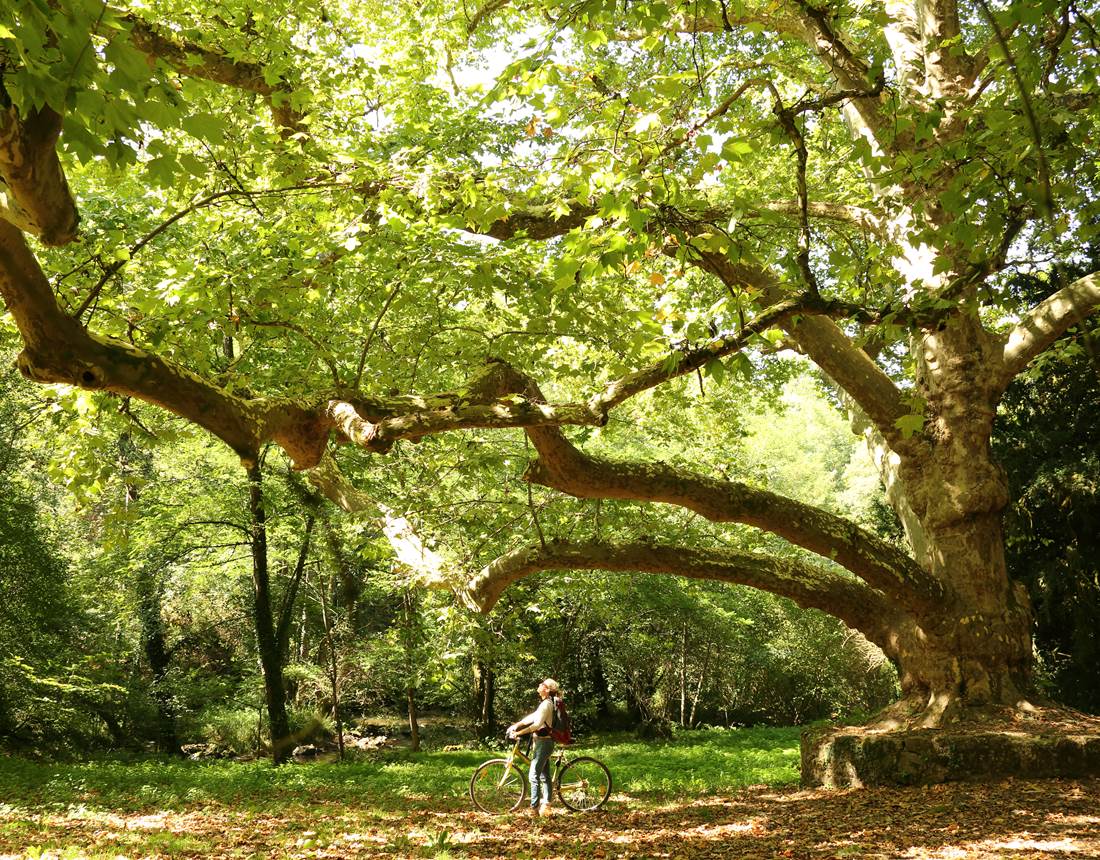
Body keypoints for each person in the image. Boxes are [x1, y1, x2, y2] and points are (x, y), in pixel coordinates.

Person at [507, 678, 560, 816]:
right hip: (543, 742)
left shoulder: (546, 704)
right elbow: (532, 717)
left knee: (533, 775)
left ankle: (534, 808)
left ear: (547, 689)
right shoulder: (545, 703)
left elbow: (536, 725)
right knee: (545, 775)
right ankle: (546, 806)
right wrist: (517, 725)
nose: (538, 685)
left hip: (544, 743)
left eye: (541, 684)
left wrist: (519, 732)